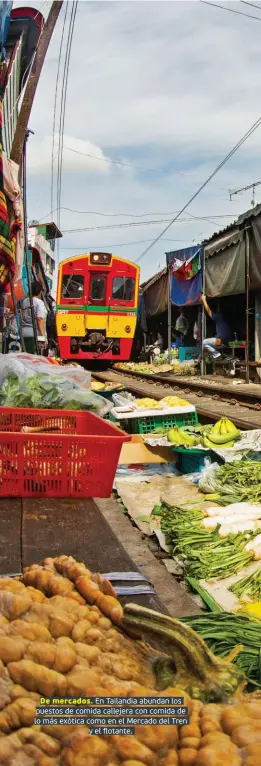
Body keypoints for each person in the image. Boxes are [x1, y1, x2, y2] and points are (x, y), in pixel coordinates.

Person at [201, 294, 232, 360]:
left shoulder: (219, 317)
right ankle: (221, 354)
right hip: (226, 343)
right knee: (211, 343)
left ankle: (217, 354)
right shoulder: (227, 319)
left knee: (204, 342)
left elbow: (208, 311)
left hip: (220, 341)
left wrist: (204, 300)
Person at [20, 280, 47, 354]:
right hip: (34, 335)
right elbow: (40, 319)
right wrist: (43, 336)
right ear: (39, 291)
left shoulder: (24, 301)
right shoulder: (39, 302)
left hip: (23, 333)